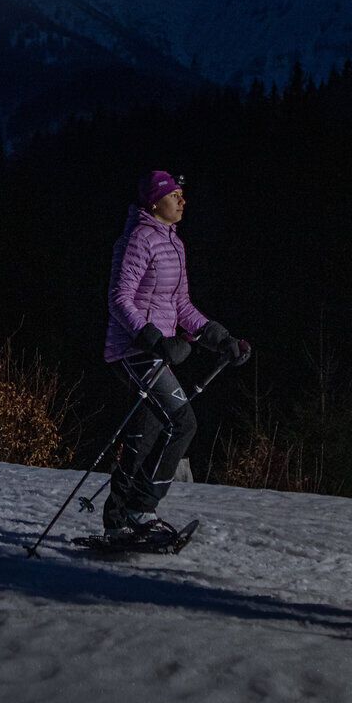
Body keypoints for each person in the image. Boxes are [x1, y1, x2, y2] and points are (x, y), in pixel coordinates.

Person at [100, 169, 250, 541]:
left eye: (182, 194)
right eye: (174, 195)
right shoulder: (139, 238)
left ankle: (120, 519)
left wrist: (221, 338)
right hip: (133, 350)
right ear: (155, 202)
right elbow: (119, 298)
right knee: (183, 422)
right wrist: (154, 340)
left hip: (155, 350)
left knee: (146, 433)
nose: (183, 201)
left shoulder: (174, 243)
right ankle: (139, 508)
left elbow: (181, 305)